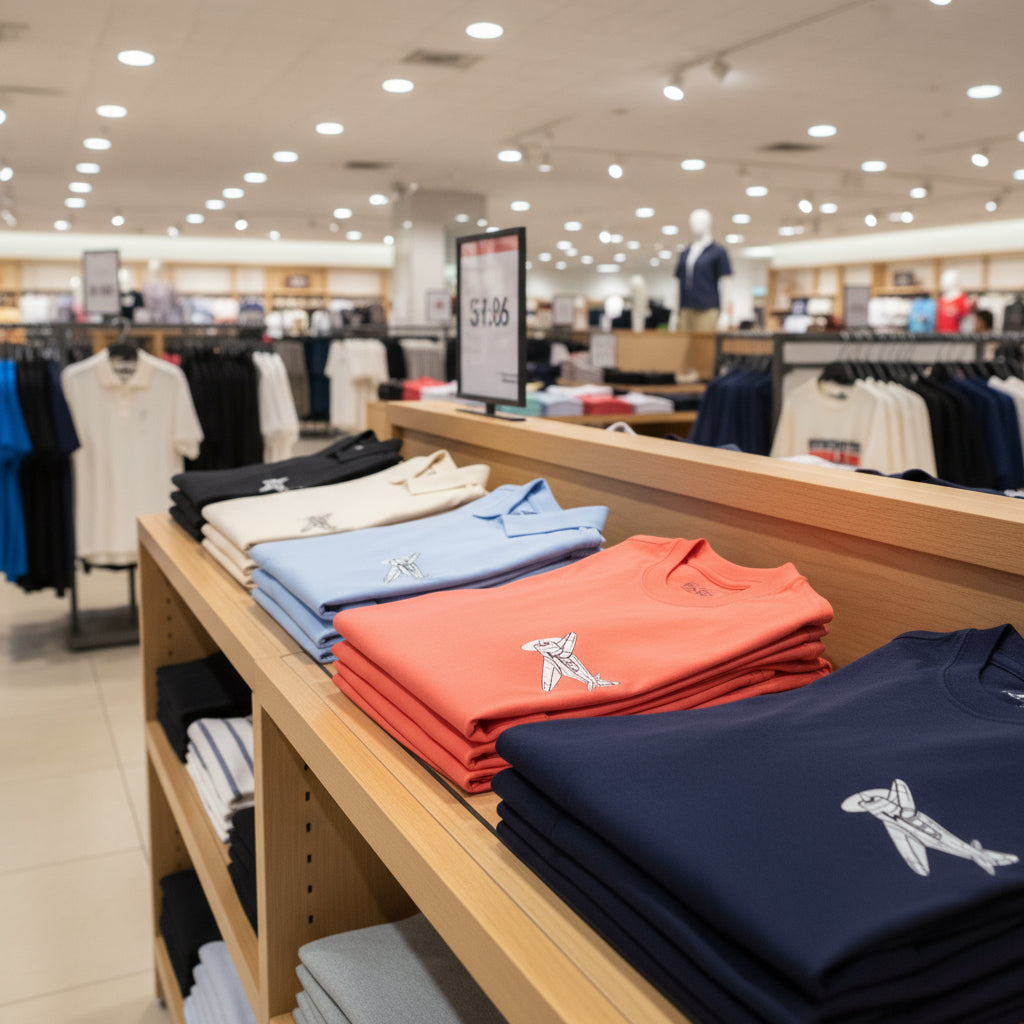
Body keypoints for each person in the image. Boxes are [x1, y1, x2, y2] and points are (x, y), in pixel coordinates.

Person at [672, 209, 732, 331]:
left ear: (708, 223)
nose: (694, 225)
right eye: (692, 221)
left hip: (707, 309)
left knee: (704, 348)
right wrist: (674, 312)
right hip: (685, 309)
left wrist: (725, 313)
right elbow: (677, 283)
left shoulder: (718, 252)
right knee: (682, 347)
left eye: (699, 221)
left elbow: (726, 282)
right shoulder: (685, 252)